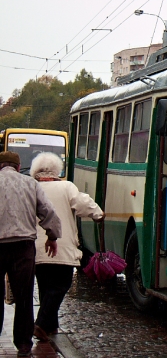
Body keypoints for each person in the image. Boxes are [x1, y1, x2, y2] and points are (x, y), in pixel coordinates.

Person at [29, 152, 104, 342]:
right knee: (61, 285)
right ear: (57, 170)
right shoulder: (66, 187)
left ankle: (51, 326)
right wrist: (98, 214)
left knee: (45, 285)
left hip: (35, 248)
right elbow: (83, 204)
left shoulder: (31, 187)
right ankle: (42, 323)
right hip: (60, 246)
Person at [0, 151, 61, 358]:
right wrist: (52, 236)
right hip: (23, 246)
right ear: (18, 167)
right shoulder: (30, 184)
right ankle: (24, 344)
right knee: (24, 296)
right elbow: (47, 211)